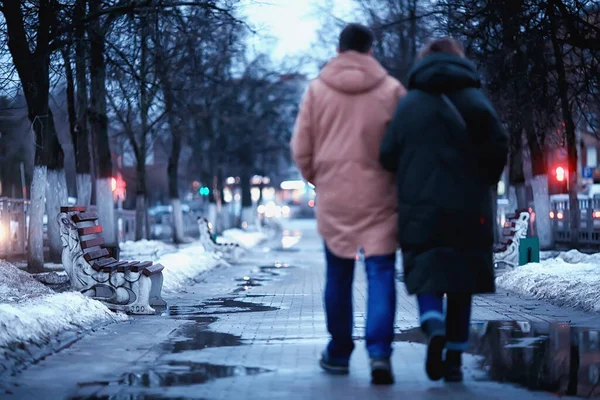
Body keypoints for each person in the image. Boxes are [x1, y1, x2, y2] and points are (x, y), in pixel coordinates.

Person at [379, 38, 508, 382]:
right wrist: (485, 181)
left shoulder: (409, 105)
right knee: (462, 278)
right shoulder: (475, 100)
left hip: (420, 205)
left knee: (427, 267)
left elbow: (387, 154)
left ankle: (433, 323)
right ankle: (453, 358)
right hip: (469, 206)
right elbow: (498, 145)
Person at [291, 23, 406, 385]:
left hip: (335, 197)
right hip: (382, 198)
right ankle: (379, 354)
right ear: (370, 50)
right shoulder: (391, 90)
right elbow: (405, 143)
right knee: (381, 274)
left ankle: (339, 353)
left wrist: (321, 179)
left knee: (339, 275)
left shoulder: (317, 90)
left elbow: (301, 149)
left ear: (339, 51)